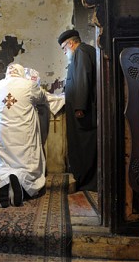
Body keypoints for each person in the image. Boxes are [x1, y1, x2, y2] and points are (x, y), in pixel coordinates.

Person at [0, 63, 47, 208]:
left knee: (2, 163)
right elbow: (42, 97)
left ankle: (2, 182)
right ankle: (22, 186)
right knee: (26, 162)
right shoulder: (29, 85)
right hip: (23, 133)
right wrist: (36, 83)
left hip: (3, 134)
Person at [57, 29, 97, 191]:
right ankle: (86, 180)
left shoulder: (81, 51)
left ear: (71, 43)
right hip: (84, 109)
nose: (64, 52)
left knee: (84, 147)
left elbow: (82, 78)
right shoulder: (85, 51)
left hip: (84, 112)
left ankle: (87, 181)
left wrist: (80, 106)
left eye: (64, 48)